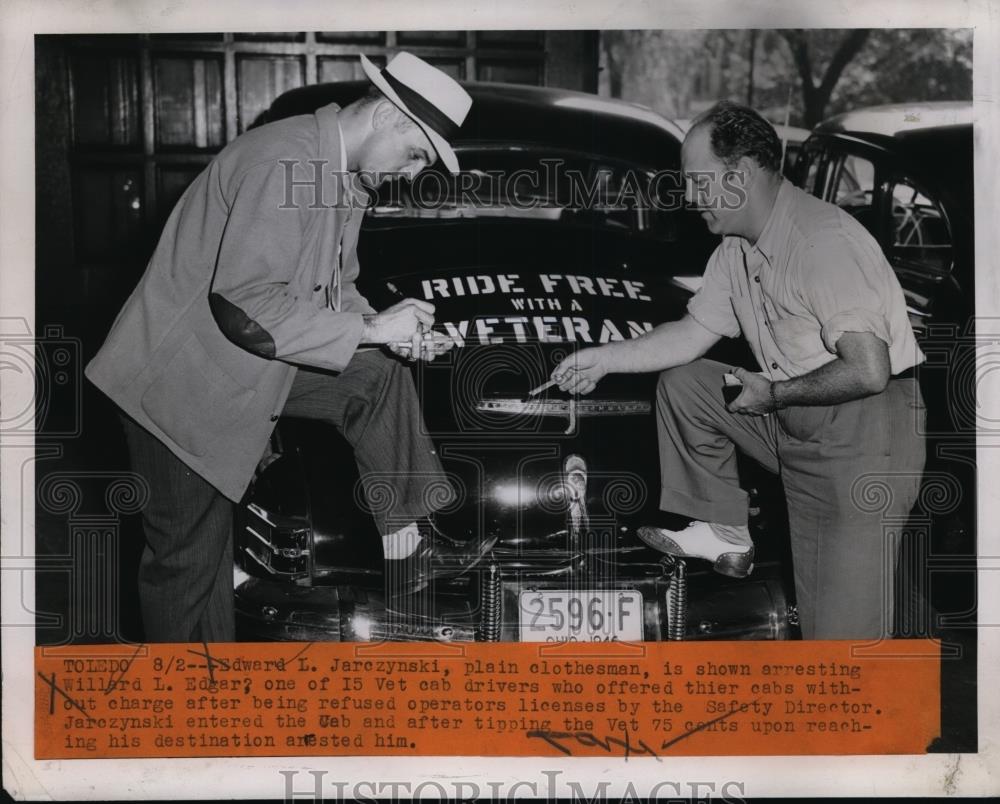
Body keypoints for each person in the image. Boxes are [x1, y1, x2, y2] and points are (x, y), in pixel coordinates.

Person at [86, 52, 495, 643]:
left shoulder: (340, 176)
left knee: (374, 377)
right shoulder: (286, 161)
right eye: (417, 155)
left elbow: (335, 289)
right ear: (388, 117)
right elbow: (244, 305)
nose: (412, 173)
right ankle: (189, 727)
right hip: (177, 388)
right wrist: (373, 331)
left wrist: (382, 325)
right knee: (190, 569)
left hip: (240, 361)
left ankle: (415, 544)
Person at [551, 100, 926, 640]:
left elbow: (869, 370)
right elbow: (690, 335)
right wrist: (603, 359)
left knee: (842, 637)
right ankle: (727, 531)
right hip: (801, 414)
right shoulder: (736, 251)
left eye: (698, 181)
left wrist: (772, 393)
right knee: (689, 386)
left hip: (867, 432)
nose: (688, 197)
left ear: (741, 174)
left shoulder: (821, 242)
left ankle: (858, 717)